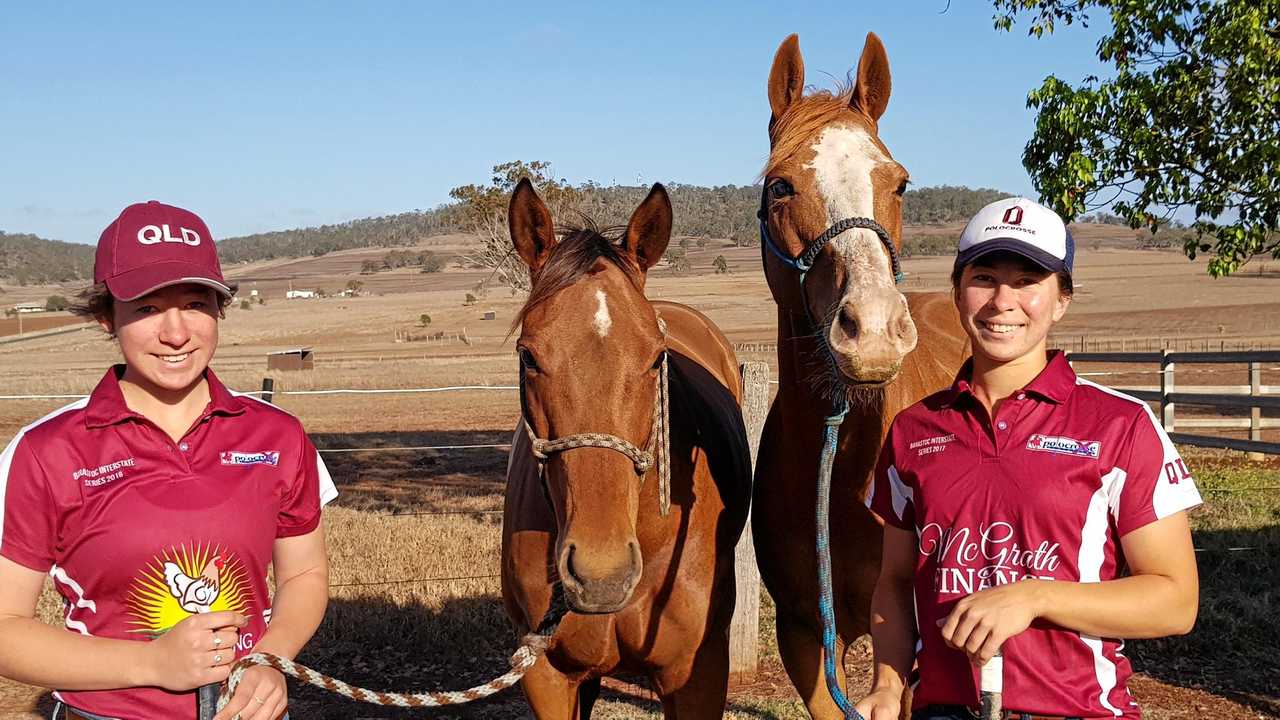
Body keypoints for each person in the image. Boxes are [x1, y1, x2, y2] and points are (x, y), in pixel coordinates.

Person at [856, 198, 1201, 720]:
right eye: (985, 277)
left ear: (1061, 300)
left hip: (1077, 710)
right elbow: (896, 582)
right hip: (941, 710)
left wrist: (1034, 596)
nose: (1002, 301)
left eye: (1027, 282)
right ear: (956, 292)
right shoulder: (913, 431)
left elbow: (1175, 602)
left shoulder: (1120, 426)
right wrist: (887, 684)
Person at [0, 201, 337, 720]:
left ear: (220, 309)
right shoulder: (45, 451)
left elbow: (304, 575)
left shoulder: (279, 435)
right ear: (105, 317)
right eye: (148, 308)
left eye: (196, 304)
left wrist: (271, 659)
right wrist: (152, 663)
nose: (176, 333)